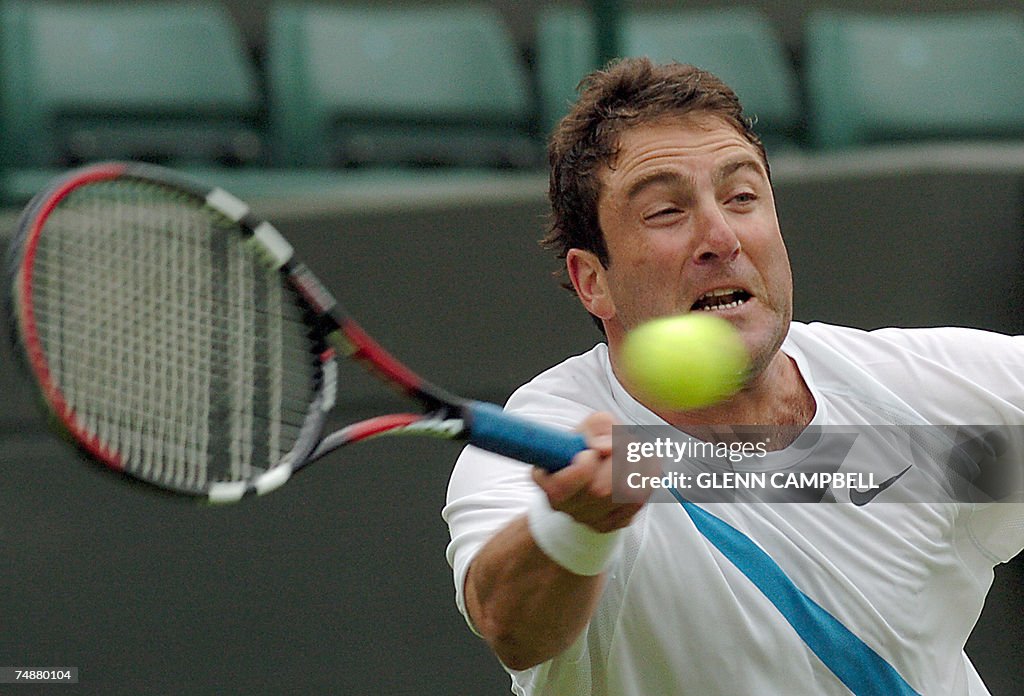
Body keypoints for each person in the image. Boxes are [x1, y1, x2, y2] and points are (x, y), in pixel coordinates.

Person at [442, 57, 1024, 695]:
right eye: (666, 210)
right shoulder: (545, 440)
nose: (720, 236)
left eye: (742, 196)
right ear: (593, 281)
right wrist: (576, 528)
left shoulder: (928, 413)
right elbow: (511, 626)